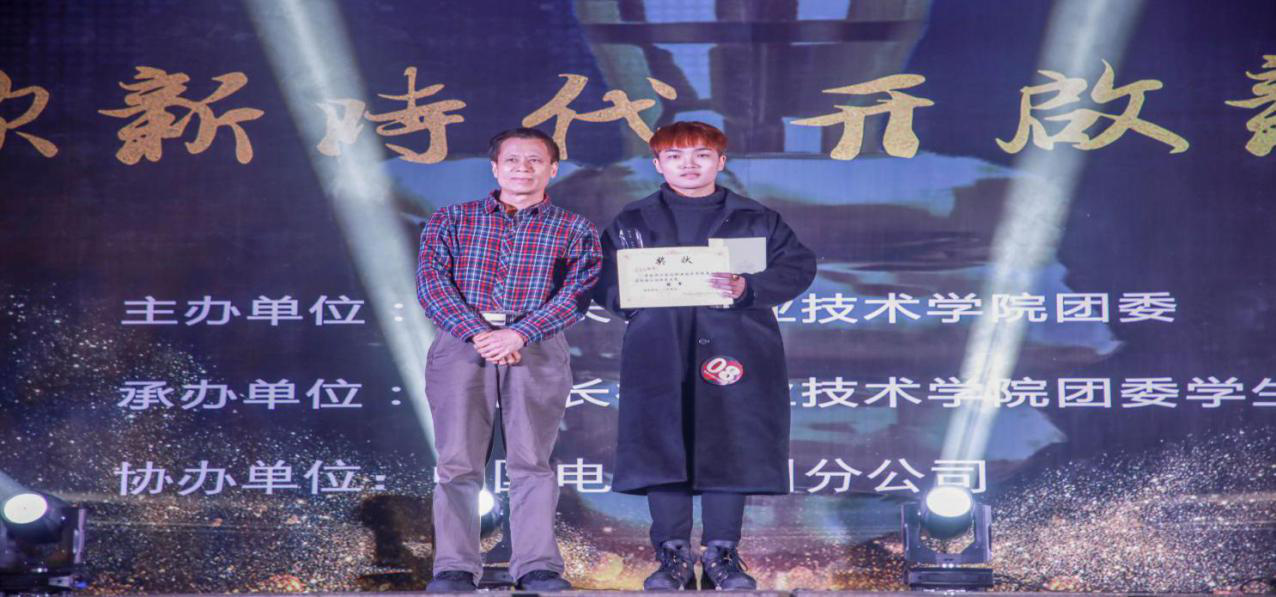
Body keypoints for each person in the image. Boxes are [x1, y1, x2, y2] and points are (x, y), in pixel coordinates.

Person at [595, 121, 817, 591]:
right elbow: (601, 277)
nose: (689, 164)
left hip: (737, 346)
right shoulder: (632, 220)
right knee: (662, 442)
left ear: (721, 161)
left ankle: (722, 555)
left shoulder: (756, 218)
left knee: (730, 440)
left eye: (701, 154)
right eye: (675, 156)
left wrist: (748, 287)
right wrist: (632, 300)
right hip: (659, 347)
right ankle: (672, 555)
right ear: (658, 164)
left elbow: (798, 266)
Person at [416, 127, 602, 593]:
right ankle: (454, 567)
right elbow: (432, 286)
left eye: (535, 160)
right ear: (495, 168)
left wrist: (519, 332)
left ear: (552, 169)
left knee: (532, 461)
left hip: (536, 345)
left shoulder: (574, 228)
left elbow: (576, 294)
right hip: (462, 343)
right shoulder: (450, 220)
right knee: (457, 462)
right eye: (513, 160)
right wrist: (481, 334)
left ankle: (537, 567)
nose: (523, 168)